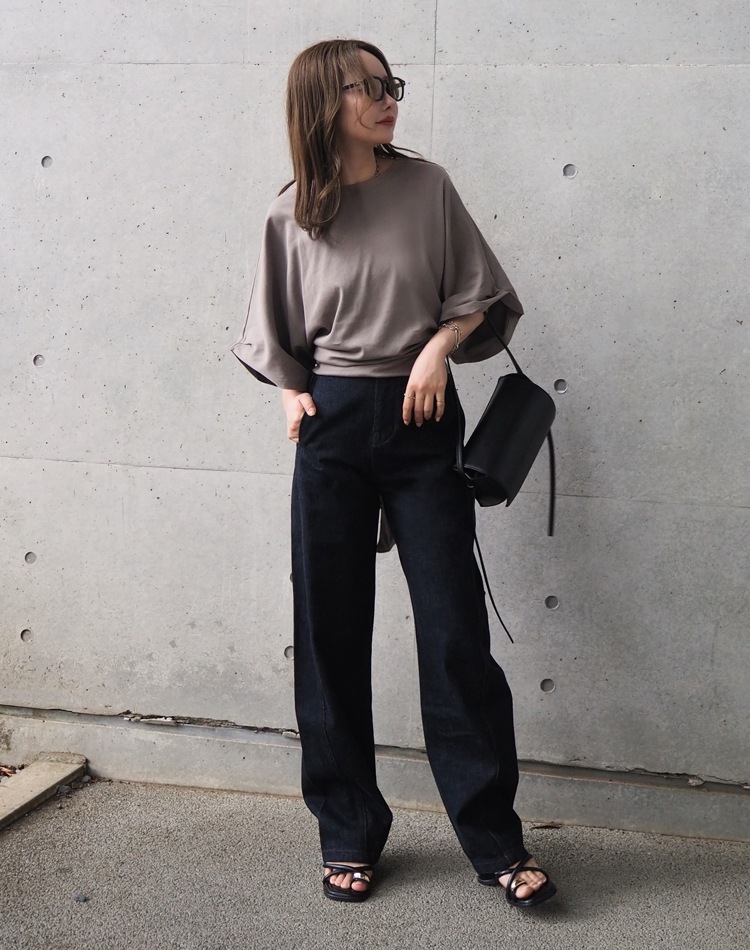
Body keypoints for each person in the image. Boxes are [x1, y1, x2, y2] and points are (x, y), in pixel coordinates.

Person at [232, 38, 557, 910]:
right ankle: (347, 831)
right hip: (333, 428)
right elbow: (274, 333)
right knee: (329, 635)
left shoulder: (427, 188)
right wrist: (291, 396)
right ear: (322, 103)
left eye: (391, 84)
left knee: (454, 634)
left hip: (421, 421)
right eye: (367, 87)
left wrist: (437, 350)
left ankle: (495, 841)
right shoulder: (292, 213)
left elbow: (478, 296)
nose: (387, 99)